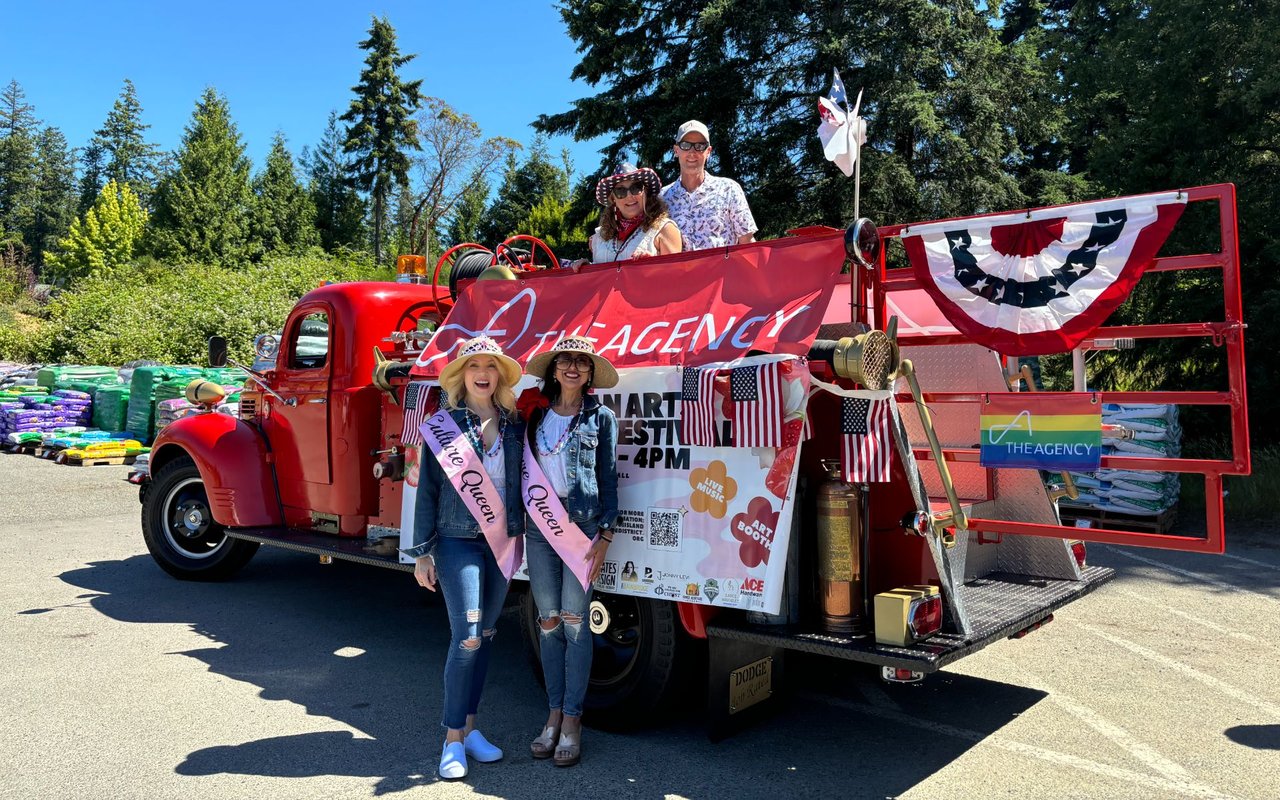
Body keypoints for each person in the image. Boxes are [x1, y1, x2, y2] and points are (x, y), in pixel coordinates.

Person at [401, 336, 526, 781]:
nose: (483, 372)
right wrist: (421, 554)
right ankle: (452, 739)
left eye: (491, 365)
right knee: (467, 636)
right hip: (456, 542)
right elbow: (427, 492)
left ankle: (472, 730)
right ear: (461, 375)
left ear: (499, 376)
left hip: (502, 543)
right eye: (474, 364)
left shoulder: (514, 425)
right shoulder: (442, 426)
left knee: (488, 634)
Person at [520, 336, 620, 767]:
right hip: (540, 530)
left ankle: (573, 721)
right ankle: (553, 713)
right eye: (566, 361)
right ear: (553, 370)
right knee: (548, 622)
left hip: (580, 528)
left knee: (577, 625)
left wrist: (607, 535)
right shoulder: (535, 417)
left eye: (582, 362)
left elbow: (610, 476)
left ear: (591, 372)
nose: (573, 368)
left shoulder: (602, 419)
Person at [660, 120, 758, 250]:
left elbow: (748, 243)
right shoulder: (662, 198)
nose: (692, 152)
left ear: (709, 151)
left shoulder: (729, 189)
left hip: (724, 270)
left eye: (700, 146)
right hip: (679, 271)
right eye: (685, 145)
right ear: (676, 150)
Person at [580, 162, 682, 266]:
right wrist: (585, 269)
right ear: (613, 198)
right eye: (620, 191)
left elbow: (676, 276)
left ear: (645, 191)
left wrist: (653, 265)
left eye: (636, 187)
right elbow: (601, 277)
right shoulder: (600, 237)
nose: (629, 196)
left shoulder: (664, 229)